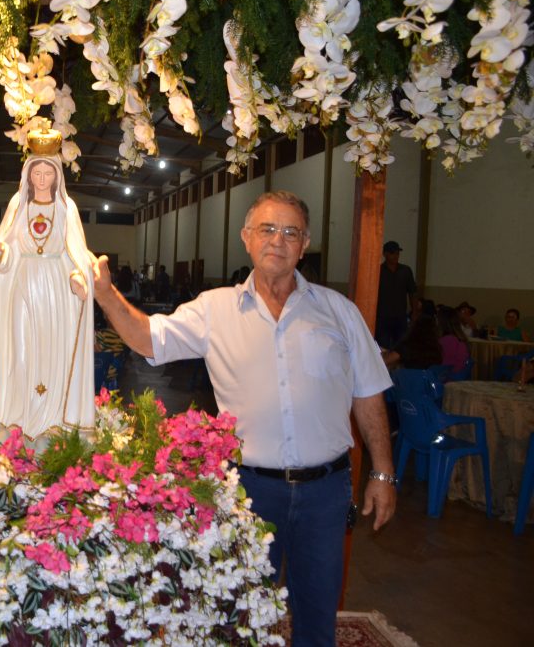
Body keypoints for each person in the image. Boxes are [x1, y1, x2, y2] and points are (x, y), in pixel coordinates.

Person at [91, 190, 395, 647]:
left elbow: (368, 393)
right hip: (249, 492)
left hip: (325, 495)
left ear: (305, 242)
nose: (279, 240)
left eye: (291, 231)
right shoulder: (214, 309)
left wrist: (383, 473)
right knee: (240, 610)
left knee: (317, 611)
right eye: (267, 229)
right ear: (246, 239)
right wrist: (106, 294)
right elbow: (149, 340)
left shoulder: (338, 311)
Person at [0, 129, 95, 439]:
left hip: (55, 289)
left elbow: (78, 252)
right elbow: (6, 247)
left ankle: (50, 420)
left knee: (50, 350)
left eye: (48, 172)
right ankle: (19, 414)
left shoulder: (66, 208)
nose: (42, 178)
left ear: (57, 176)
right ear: (28, 174)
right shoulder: (18, 204)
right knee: (21, 348)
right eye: (37, 172)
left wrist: (78, 277)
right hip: (23, 282)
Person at [375, 241, 416, 349]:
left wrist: (414, 312)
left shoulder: (406, 271)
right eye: (393, 253)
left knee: (401, 347)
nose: (396, 256)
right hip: (382, 317)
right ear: (385, 254)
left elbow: (412, 292)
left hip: (400, 316)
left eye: (397, 253)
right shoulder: (378, 271)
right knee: (382, 347)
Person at [436, 305, 470, 374]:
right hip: (456, 379)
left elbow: (442, 367)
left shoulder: (446, 341)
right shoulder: (459, 340)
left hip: (445, 379)